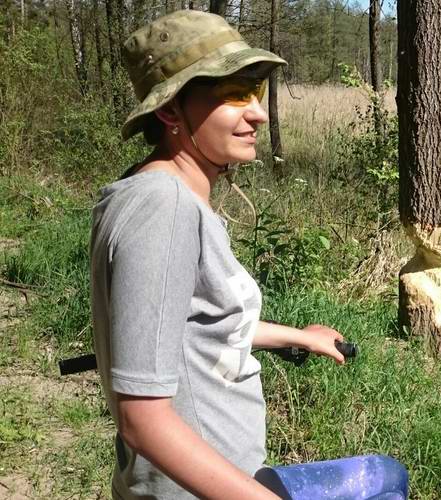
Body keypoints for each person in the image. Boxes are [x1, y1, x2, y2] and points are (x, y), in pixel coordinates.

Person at [90, 10, 407, 500]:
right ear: (170, 112)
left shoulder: (167, 196)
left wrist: (298, 336)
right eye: (231, 95)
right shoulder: (163, 209)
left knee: (387, 476)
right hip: (202, 491)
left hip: (232, 475)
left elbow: (191, 326)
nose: (258, 112)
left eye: (254, 92)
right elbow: (143, 420)